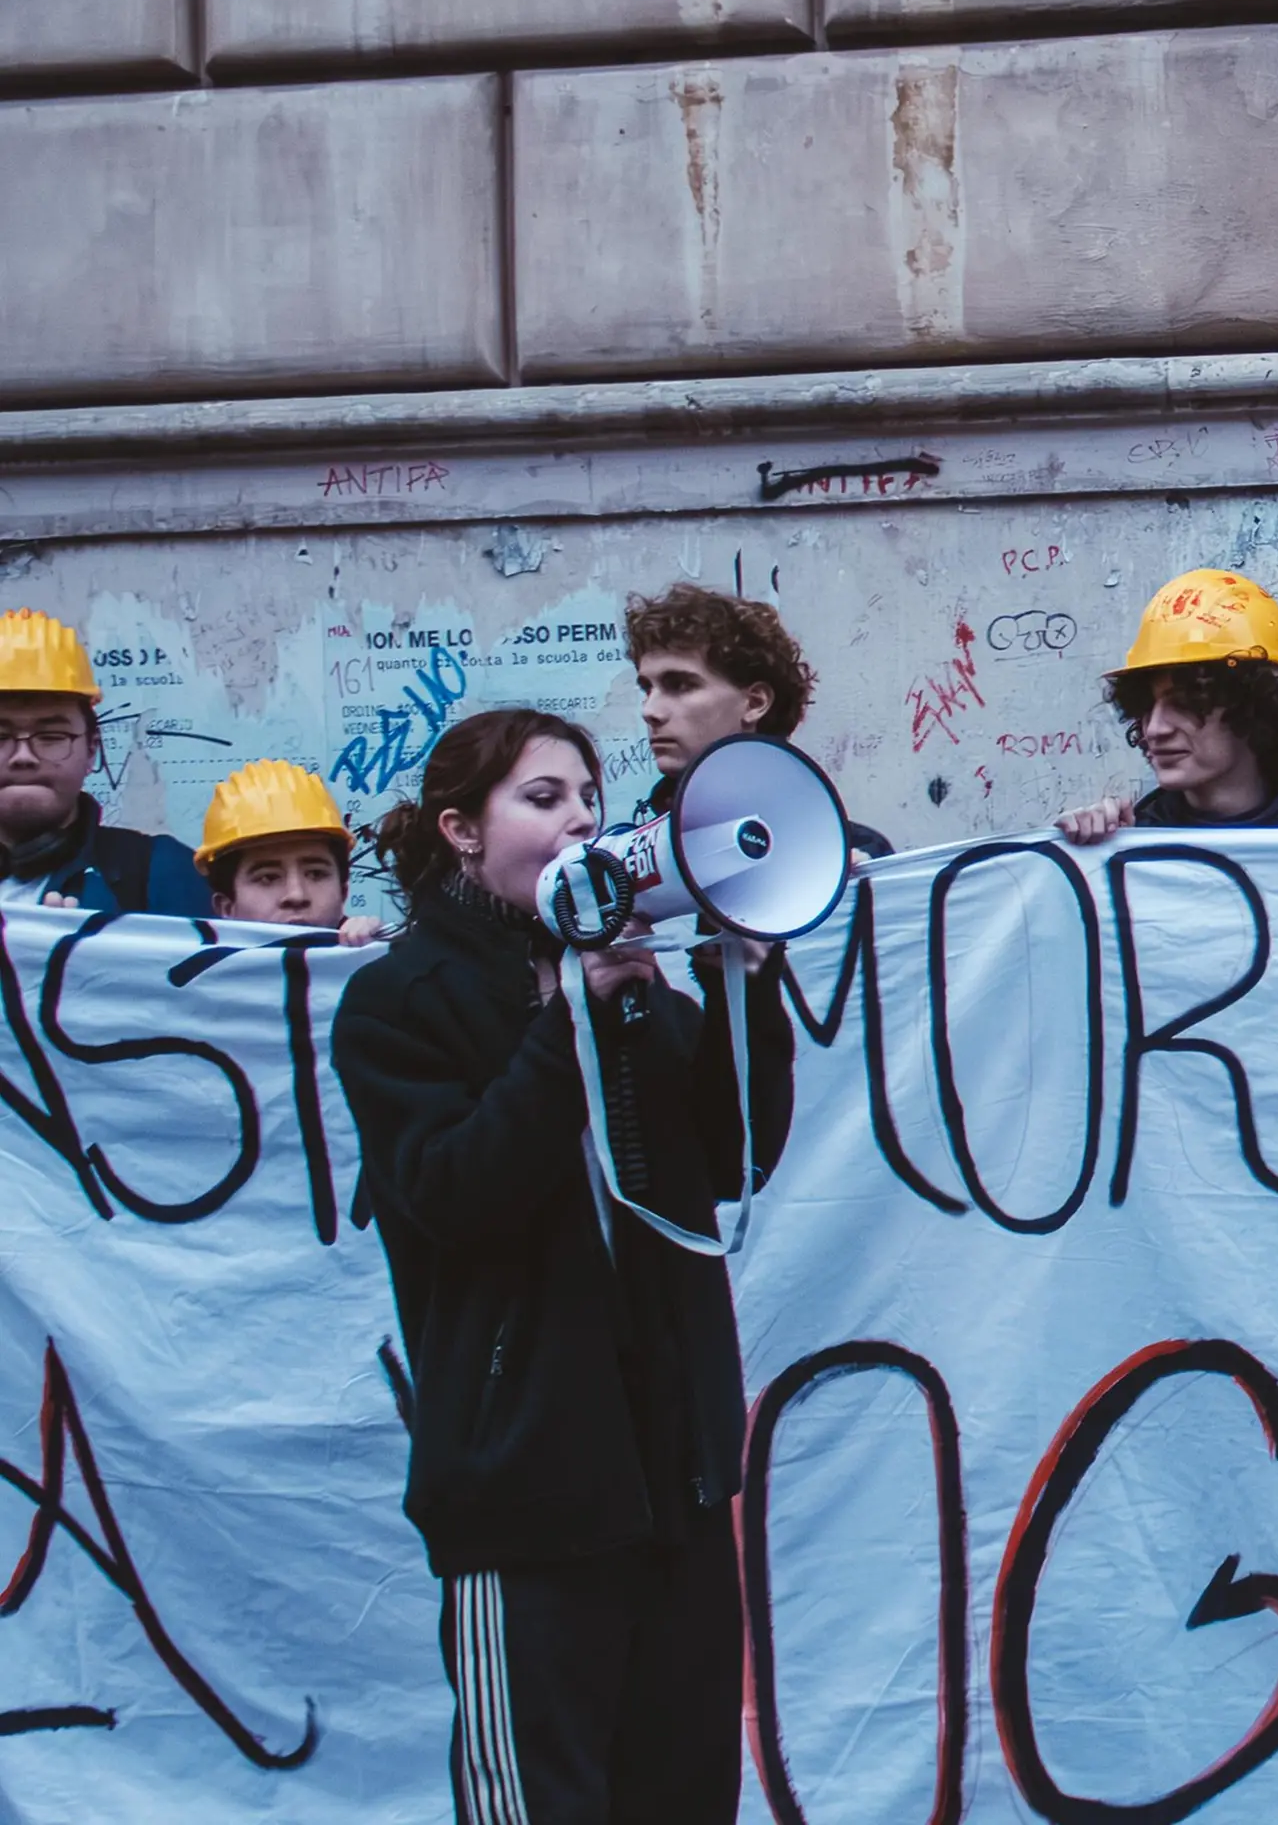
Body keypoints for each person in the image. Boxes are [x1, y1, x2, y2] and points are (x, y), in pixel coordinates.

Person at [330, 708, 779, 1824]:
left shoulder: (632, 987)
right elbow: (453, 1195)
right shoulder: (398, 1002)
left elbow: (729, 1159)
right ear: (461, 831)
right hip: (525, 1490)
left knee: (681, 1798)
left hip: (672, 1472)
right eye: (542, 799)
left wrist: (743, 991)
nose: (580, 818)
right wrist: (567, 1025)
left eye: (589, 796)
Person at [622, 583, 890, 859]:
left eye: (680, 685)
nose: (650, 711)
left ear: (755, 703)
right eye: (647, 689)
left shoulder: (851, 851)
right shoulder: (630, 858)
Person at [1058, 568, 1278, 842]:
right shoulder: (1123, 852)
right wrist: (1095, 861)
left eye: (1187, 703)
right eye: (1146, 706)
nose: (1155, 730)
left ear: (1257, 709)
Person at [0, 608, 212, 917]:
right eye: (0, 736)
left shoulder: (160, 871)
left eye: (52, 736)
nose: (23, 757)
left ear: (92, 750)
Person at [199, 758, 384, 943]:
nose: (297, 895)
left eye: (316, 874)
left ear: (343, 892)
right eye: (268, 878)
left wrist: (381, 959)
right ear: (226, 908)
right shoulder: (192, 971)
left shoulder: (375, 961)